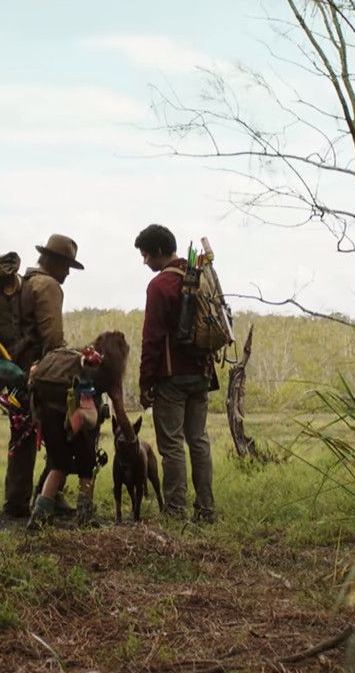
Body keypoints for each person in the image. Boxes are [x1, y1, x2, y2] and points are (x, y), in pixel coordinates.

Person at [134, 224, 218, 523]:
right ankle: (206, 509)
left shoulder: (160, 286)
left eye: (146, 256)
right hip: (202, 372)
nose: (145, 263)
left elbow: (152, 338)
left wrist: (145, 383)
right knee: (198, 440)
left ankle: (175, 511)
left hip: (172, 376)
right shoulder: (200, 276)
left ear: (159, 252)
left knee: (171, 445)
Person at [4, 233, 82, 519]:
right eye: (67, 267)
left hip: (16, 372)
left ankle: (17, 499)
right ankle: (48, 495)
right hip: (39, 375)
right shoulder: (48, 285)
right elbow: (53, 338)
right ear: (55, 262)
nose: (67, 275)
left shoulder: (26, 282)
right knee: (60, 431)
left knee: (22, 436)